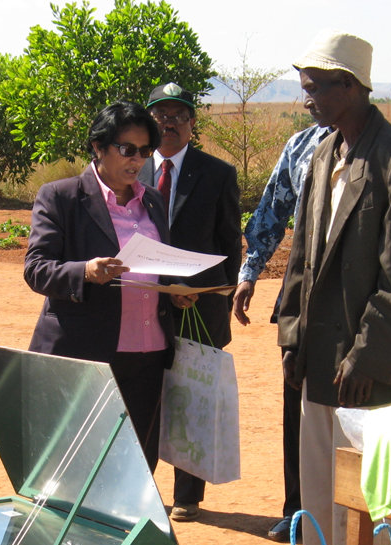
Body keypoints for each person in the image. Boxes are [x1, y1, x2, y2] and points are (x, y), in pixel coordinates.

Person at [277, 30, 391, 545]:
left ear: (349, 86)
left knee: (373, 507)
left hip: (369, 373)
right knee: (321, 501)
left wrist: (368, 359)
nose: (307, 99)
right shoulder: (324, 152)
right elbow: (301, 256)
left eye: (316, 88)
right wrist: (291, 338)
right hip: (319, 360)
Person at [24, 101, 179, 473]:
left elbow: (158, 267)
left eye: (144, 151)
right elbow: (36, 269)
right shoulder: (61, 197)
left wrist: (176, 291)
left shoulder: (153, 201)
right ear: (99, 146)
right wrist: (85, 272)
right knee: (80, 465)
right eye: (127, 149)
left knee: (138, 467)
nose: (137, 160)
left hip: (149, 354)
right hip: (89, 355)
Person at [138, 81, 242, 522]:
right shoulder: (132, 170)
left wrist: (202, 293)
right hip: (142, 307)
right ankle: (138, 492)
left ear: (193, 124)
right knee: (144, 395)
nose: (169, 123)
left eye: (179, 116)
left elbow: (227, 248)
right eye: (161, 115)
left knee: (192, 395)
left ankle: (187, 496)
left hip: (198, 308)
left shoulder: (217, 174)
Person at [234, 123, 331, 541]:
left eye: (316, 84)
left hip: (361, 300)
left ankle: (354, 517)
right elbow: (272, 212)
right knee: (299, 408)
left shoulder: (381, 149)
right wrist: (250, 272)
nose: (308, 97)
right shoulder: (302, 144)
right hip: (303, 296)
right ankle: (299, 513)